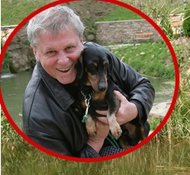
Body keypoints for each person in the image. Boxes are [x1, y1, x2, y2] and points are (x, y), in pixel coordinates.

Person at [23, 5, 155, 158]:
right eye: (51, 52)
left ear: (81, 40)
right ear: (35, 52)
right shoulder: (37, 118)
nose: (64, 61)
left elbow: (144, 85)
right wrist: (96, 140)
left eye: (69, 48)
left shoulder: (99, 56)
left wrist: (134, 109)